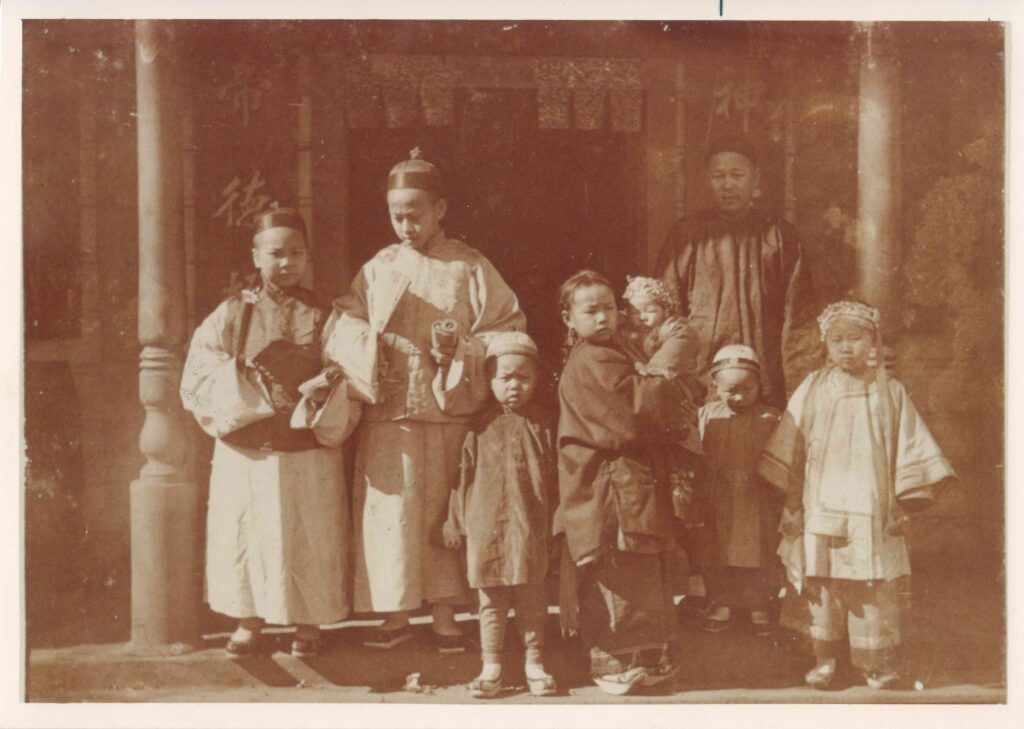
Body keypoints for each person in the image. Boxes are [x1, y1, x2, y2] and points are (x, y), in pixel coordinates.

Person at [323, 147, 526, 651]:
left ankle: (443, 611)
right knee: (390, 513)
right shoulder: (378, 267)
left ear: (441, 209)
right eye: (397, 215)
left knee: (442, 514)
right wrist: (369, 347)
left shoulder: (469, 266)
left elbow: (506, 326)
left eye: (416, 213)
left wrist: (460, 349)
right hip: (389, 411)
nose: (406, 225)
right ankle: (393, 612)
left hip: (448, 408)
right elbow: (343, 323)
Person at [180, 207, 359, 658]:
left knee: (308, 533)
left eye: (296, 253)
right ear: (256, 256)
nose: (287, 263)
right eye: (276, 253)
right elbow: (200, 368)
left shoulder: (324, 313)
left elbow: (348, 368)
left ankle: (307, 622)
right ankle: (248, 620)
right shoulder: (232, 312)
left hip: (305, 444)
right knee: (248, 533)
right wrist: (241, 378)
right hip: (248, 445)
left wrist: (328, 383)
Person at [758, 301, 956, 689]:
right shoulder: (813, 388)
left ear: (873, 343)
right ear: (826, 346)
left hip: (871, 502)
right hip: (820, 501)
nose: (846, 348)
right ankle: (825, 660)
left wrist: (905, 495)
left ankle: (876, 663)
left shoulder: (890, 390)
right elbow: (792, 442)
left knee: (872, 582)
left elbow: (907, 441)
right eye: (837, 341)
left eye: (856, 339)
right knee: (822, 580)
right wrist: (792, 501)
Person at [554, 270, 692, 696]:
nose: (603, 317)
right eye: (590, 310)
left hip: (628, 480)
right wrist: (671, 383)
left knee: (639, 569)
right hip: (607, 483)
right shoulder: (592, 359)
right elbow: (632, 416)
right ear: (568, 318)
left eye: (609, 307)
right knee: (618, 568)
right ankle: (617, 660)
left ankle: (646, 658)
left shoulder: (614, 350)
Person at [655, 134, 818, 410]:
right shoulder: (687, 234)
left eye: (736, 175)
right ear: (707, 180)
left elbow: (798, 317)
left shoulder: (778, 235)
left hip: (765, 373)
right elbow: (665, 308)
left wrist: (798, 389)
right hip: (702, 373)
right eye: (718, 176)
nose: (727, 184)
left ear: (755, 180)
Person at [441, 332, 558, 699]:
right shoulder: (479, 427)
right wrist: (454, 521)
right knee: (491, 599)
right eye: (505, 377)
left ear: (536, 380)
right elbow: (462, 478)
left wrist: (560, 519)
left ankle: (534, 664)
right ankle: (491, 666)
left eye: (523, 377)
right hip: (487, 526)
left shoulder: (544, 424)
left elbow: (557, 477)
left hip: (531, 525)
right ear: (490, 380)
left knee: (532, 597)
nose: (514, 385)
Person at [697, 344, 782, 637]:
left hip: (757, 499)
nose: (740, 396)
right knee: (717, 550)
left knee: (760, 551)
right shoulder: (707, 415)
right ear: (715, 386)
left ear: (759, 385)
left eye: (748, 389)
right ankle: (722, 603)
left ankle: (759, 605)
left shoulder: (771, 419)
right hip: (718, 496)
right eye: (731, 389)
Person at [621, 275, 706, 520]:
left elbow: (671, 359)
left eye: (649, 310)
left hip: (675, 387)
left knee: (681, 452)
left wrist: (646, 370)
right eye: (635, 312)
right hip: (652, 394)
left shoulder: (676, 328)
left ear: (665, 308)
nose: (642, 317)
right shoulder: (631, 333)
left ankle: (686, 510)